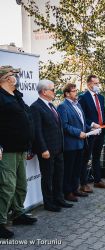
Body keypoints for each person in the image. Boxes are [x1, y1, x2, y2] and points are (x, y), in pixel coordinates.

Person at [0, 66, 37, 239]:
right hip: (6, 150)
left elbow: (26, 119)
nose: (17, 78)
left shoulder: (16, 95)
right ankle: (0, 222)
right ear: (7, 78)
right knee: (7, 186)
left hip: (21, 148)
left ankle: (17, 213)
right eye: (14, 75)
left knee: (21, 184)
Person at [31, 79, 72, 212]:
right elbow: (37, 131)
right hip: (47, 150)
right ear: (44, 91)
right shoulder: (36, 107)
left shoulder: (51, 105)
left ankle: (59, 198)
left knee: (59, 175)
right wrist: (43, 148)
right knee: (48, 177)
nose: (55, 92)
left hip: (58, 148)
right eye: (53, 90)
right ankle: (48, 203)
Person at [57, 83, 91, 202]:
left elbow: (82, 122)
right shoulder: (63, 106)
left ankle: (75, 189)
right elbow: (64, 126)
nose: (77, 92)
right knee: (69, 170)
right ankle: (68, 192)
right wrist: (78, 133)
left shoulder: (78, 104)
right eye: (74, 91)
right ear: (67, 93)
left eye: (76, 90)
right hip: (70, 144)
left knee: (77, 168)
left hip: (81, 143)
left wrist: (91, 127)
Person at [78, 75, 105, 191]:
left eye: (98, 83)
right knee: (86, 158)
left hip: (101, 131)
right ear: (89, 84)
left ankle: (97, 180)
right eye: (95, 83)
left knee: (97, 157)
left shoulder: (101, 97)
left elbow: (103, 112)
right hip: (90, 132)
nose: (98, 85)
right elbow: (82, 116)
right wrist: (92, 124)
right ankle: (83, 183)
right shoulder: (83, 98)